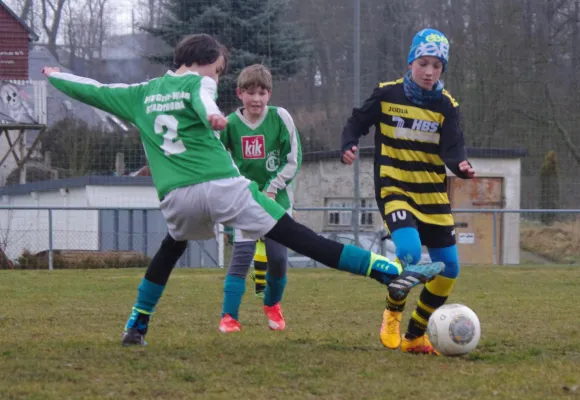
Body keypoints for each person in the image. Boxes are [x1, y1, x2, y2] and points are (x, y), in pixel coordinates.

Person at [42, 33, 443, 347]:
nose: (216, 77)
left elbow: (91, 88)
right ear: (202, 64)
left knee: (170, 250)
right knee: (298, 236)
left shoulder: (139, 94)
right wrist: (214, 114)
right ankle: (389, 271)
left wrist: (56, 76)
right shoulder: (198, 86)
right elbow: (201, 96)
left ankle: (137, 323)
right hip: (221, 186)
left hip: (176, 198)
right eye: (217, 71)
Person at [340, 28, 475, 355]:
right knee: (411, 252)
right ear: (412, 61)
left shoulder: (446, 105)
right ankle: (392, 314)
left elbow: (452, 149)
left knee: (450, 269)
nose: (429, 72)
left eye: (437, 66)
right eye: (423, 63)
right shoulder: (387, 94)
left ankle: (416, 334)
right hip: (395, 186)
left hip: (432, 194)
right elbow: (356, 122)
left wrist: (462, 167)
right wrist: (349, 144)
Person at [218, 64, 301, 333]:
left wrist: (273, 187)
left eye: (262, 93)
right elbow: (220, 160)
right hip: (245, 201)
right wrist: (236, 190)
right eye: (251, 92)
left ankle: (272, 305)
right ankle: (229, 316)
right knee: (241, 258)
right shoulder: (229, 125)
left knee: (278, 259)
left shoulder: (281, 118)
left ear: (270, 94)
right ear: (239, 93)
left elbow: (293, 160)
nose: (256, 98)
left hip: (277, 202)